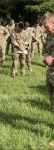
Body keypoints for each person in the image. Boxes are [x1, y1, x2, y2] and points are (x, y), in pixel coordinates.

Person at [41, 12, 54, 147]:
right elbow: (45, 50)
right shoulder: (49, 36)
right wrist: (46, 58)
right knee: (53, 103)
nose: (45, 30)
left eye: (46, 27)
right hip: (50, 74)